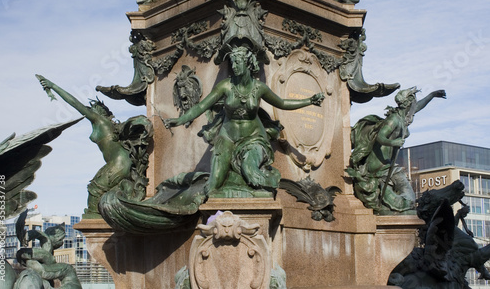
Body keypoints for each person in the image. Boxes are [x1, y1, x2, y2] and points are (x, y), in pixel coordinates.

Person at [165, 45, 324, 196]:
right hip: (227, 137)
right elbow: (201, 107)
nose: (234, 66)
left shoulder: (259, 87)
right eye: (233, 62)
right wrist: (180, 120)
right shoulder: (225, 86)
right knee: (213, 185)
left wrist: (309, 101)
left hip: (253, 138)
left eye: (238, 62)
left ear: (247, 63)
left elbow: (282, 103)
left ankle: (271, 184)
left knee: (250, 172)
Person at [37, 75, 132, 218]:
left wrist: (53, 86)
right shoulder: (108, 125)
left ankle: (96, 224)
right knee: (102, 193)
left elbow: (74, 103)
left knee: (95, 189)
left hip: (119, 163)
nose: (90, 110)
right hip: (121, 162)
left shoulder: (99, 120)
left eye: (93, 108)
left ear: (100, 111)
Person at [348, 87, 446, 213]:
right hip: (379, 165)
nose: (414, 105)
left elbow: (418, 107)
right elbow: (380, 136)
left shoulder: (403, 117)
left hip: (387, 164)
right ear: (407, 103)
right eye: (413, 102)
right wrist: (393, 142)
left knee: (409, 198)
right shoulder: (394, 119)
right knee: (408, 198)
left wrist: (432, 94)